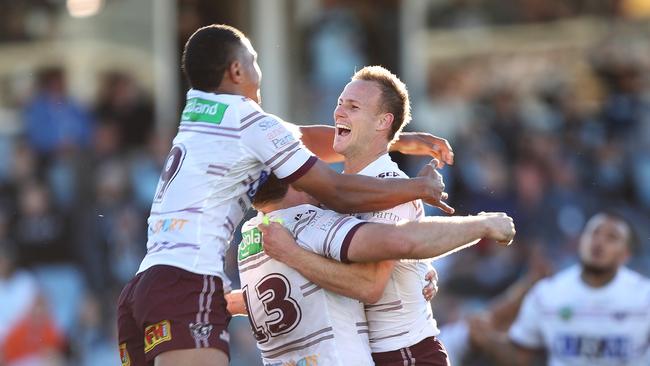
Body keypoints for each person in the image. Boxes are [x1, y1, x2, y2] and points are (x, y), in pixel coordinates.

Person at [117, 24, 455, 366]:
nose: (258, 72)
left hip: (143, 286)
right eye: (254, 61)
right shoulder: (248, 121)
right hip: (187, 277)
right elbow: (337, 191)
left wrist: (396, 140)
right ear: (237, 70)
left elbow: (301, 137)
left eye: (352, 107)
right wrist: (418, 187)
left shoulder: (202, 114)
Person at [260, 65, 455, 365]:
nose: (339, 112)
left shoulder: (393, 189)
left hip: (405, 356)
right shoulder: (335, 190)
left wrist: (290, 253)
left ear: (383, 122)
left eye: (353, 106)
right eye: (339, 103)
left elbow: (370, 286)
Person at [234, 173, 515, 365]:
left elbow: (264, 297)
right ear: (297, 180)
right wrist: (482, 225)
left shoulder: (250, 235)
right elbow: (399, 244)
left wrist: (410, 273)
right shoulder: (309, 223)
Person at [477, 212, 650, 365]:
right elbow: (521, 356)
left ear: (626, 254)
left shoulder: (645, 296)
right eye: (593, 233)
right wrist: (487, 340)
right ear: (580, 241)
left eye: (612, 237)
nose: (599, 242)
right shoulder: (547, 293)